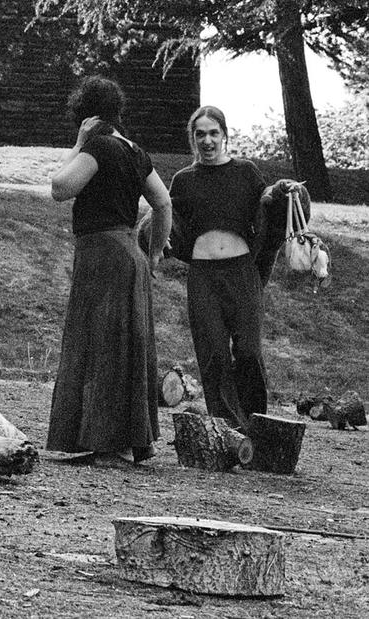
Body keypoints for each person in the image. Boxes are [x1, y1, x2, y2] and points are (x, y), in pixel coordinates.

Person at [47, 76, 172, 466]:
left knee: (104, 346)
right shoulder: (135, 150)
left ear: (85, 116)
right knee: (124, 344)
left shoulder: (97, 146)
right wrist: (150, 254)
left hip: (102, 253)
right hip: (128, 253)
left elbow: (60, 188)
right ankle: (126, 441)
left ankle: (109, 444)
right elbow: (164, 204)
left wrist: (79, 144)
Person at [168, 105, 305, 429]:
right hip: (203, 277)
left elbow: (266, 202)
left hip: (242, 273)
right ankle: (227, 431)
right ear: (193, 138)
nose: (207, 140)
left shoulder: (245, 172)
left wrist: (279, 190)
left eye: (214, 132)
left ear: (225, 135)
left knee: (248, 352)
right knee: (213, 354)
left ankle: (256, 427)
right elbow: (169, 220)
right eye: (200, 134)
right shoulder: (183, 180)